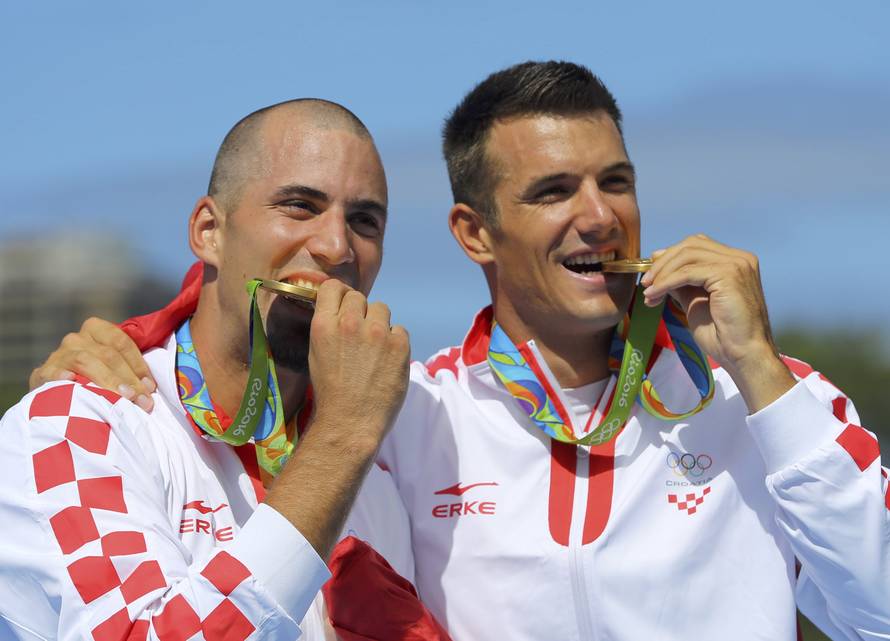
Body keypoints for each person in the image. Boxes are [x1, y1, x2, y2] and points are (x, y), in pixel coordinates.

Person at [29, 62, 890, 640]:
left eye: (615, 182)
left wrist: (765, 375)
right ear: (474, 233)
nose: (598, 216)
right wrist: (123, 350)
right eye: (554, 191)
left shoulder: (777, 405)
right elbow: (236, 407)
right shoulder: (406, 416)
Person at [0, 99, 450, 641]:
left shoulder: (401, 443)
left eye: (364, 221)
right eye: (300, 207)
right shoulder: (82, 425)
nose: (336, 247)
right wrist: (342, 437)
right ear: (209, 231)